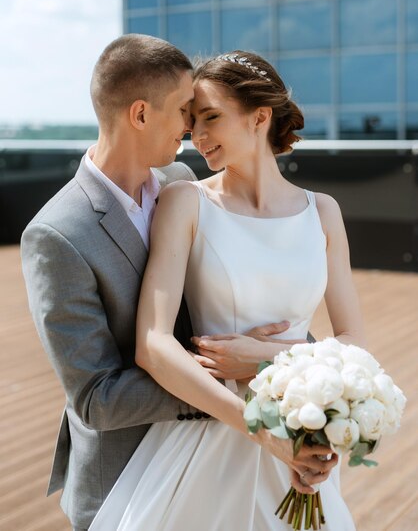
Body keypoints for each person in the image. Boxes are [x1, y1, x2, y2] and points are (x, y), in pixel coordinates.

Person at [20, 35, 313, 531]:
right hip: (125, 483)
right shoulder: (57, 235)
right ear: (139, 114)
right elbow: (96, 398)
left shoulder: (181, 182)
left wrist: (281, 354)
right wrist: (227, 375)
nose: (190, 128)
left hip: (219, 466)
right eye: (183, 110)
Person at [89, 51, 365, 530]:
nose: (197, 135)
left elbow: (352, 342)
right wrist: (263, 432)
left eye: (211, 117)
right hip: (210, 436)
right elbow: (152, 344)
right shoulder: (186, 200)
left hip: (299, 437)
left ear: (260, 117)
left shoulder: (323, 212)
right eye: (192, 121)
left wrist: (265, 357)